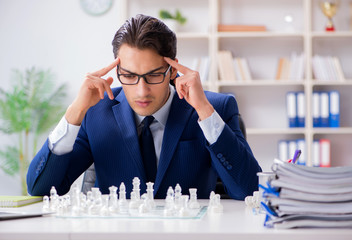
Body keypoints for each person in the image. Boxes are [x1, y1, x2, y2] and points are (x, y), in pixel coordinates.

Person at [27, 14, 262, 200]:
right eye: (129, 76)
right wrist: (75, 112)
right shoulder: (95, 113)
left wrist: (204, 111)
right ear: (116, 71)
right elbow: (41, 188)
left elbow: (249, 190)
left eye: (153, 75)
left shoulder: (216, 108)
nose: (141, 91)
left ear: (172, 70)